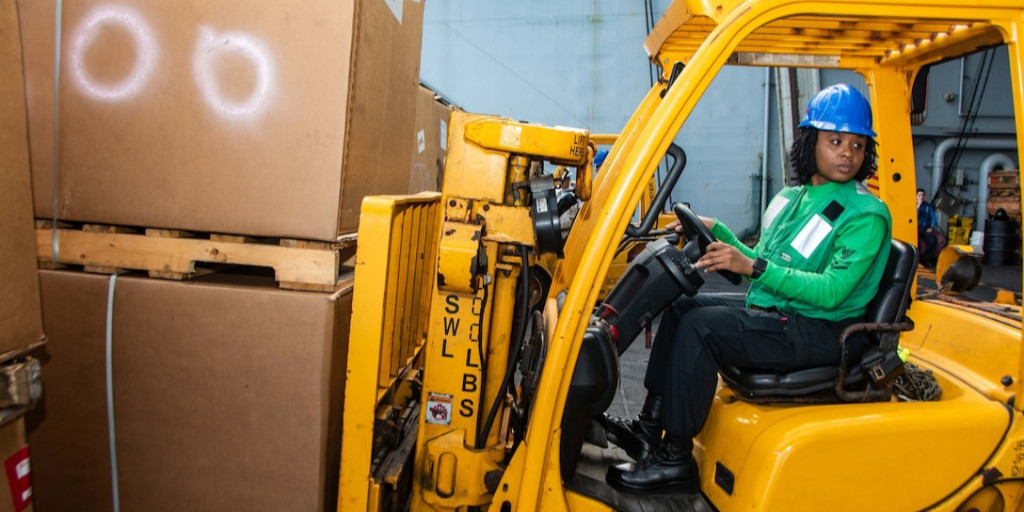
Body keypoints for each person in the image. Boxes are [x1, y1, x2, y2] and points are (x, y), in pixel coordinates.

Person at [602, 84, 893, 493]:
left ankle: (675, 459)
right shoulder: (795, 198)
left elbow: (831, 291)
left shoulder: (865, 214)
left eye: (857, 145)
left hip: (824, 332)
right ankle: (649, 428)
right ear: (811, 142)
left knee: (702, 328)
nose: (848, 153)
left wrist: (753, 266)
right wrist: (717, 231)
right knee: (684, 309)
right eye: (836, 141)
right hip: (784, 315)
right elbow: (765, 260)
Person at [917, 188, 940, 266]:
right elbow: (914, 216)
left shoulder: (927, 205)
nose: (921, 197)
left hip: (924, 228)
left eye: (923, 195)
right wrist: (918, 206)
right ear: (916, 196)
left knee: (933, 241)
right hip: (915, 228)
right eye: (919, 195)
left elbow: (933, 217)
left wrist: (932, 226)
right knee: (917, 243)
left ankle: (926, 259)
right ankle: (917, 260)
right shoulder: (914, 205)